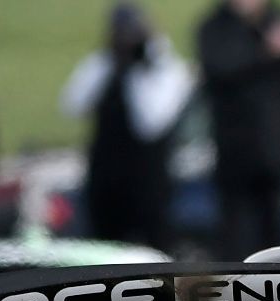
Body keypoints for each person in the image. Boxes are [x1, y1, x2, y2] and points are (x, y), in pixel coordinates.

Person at [198, 0, 280, 259]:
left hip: (275, 153)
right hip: (235, 156)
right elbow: (221, 67)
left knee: (276, 240)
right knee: (238, 239)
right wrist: (267, 50)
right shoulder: (215, 28)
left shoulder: (278, 23)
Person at [60, 4, 194, 251]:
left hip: (150, 183)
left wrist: (138, 69)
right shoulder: (103, 64)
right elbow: (71, 105)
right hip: (106, 180)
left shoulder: (167, 70)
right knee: (104, 250)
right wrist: (110, 63)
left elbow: (150, 123)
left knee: (155, 252)